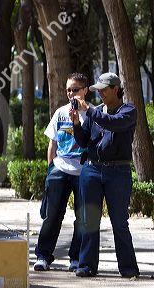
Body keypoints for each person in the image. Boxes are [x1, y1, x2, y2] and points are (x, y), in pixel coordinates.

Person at [70, 72, 139, 278]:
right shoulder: (96, 112)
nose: (99, 92)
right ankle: (86, 265)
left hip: (118, 172)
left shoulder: (128, 111)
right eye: (97, 89)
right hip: (91, 170)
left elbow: (112, 123)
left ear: (116, 89)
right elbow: (83, 142)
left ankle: (128, 269)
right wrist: (76, 124)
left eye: (103, 89)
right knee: (89, 220)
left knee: (119, 222)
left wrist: (89, 110)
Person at [34, 73, 92, 272]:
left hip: (83, 171)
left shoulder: (92, 113)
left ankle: (76, 258)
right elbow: (53, 144)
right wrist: (51, 170)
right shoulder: (60, 113)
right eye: (68, 90)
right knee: (52, 215)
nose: (71, 93)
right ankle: (43, 255)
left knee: (82, 218)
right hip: (60, 168)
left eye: (75, 89)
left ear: (85, 90)